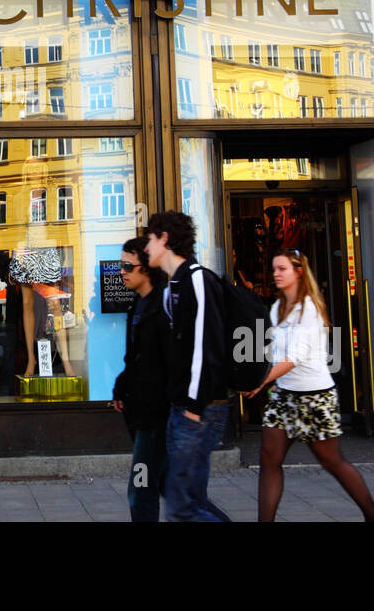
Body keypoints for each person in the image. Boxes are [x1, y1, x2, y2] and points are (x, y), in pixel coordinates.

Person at [244, 250, 374, 522]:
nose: (276, 273)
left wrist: (261, 380)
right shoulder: (277, 308)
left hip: (315, 396)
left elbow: (295, 357)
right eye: (274, 268)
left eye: (282, 268)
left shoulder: (308, 308)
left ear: (298, 272)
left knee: (332, 461)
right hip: (284, 395)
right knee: (268, 458)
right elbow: (276, 353)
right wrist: (261, 379)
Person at [145, 211, 231, 522]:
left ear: (165, 239)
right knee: (189, 501)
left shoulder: (197, 279)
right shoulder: (173, 287)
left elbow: (205, 346)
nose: (146, 248)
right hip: (184, 406)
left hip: (199, 408)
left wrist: (193, 406)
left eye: (150, 240)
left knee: (182, 509)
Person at [111, 237, 169, 522]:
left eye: (127, 266)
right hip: (143, 417)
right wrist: (122, 386)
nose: (121, 271)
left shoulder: (164, 306)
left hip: (155, 420)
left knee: (141, 488)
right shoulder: (138, 305)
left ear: (146, 268)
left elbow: (166, 365)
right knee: (176, 492)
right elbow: (134, 358)